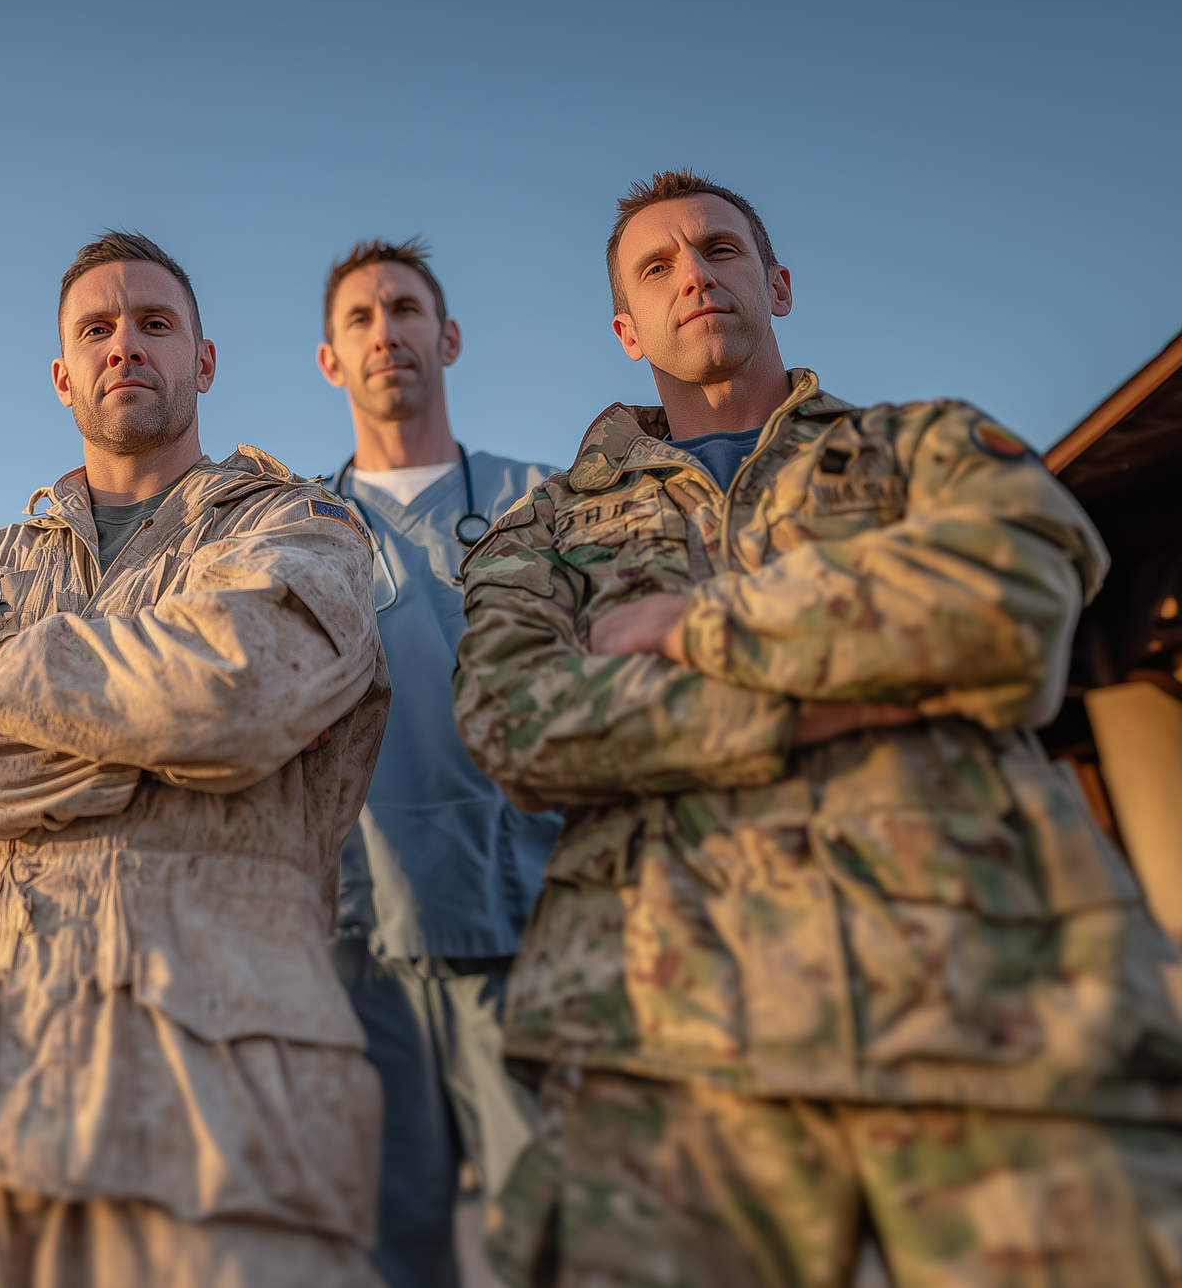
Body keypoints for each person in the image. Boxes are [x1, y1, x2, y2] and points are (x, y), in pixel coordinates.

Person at [453, 171, 1182, 1286]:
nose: (694, 273)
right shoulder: (544, 525)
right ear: (623, 325)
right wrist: (882, 684)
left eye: (720, 249)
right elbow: (515, 726)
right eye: (658, 267)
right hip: (667, 1037)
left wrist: (697, 627)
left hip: (987, 997)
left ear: (778, 283)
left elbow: (1014, 606)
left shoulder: (921, 447)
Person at [0, 232, 391, 1288]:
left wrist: (19, 679)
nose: (128, 346)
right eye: (99, 329)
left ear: (203, 361)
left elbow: (240, 691)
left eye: (156, 324)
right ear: (63, 374)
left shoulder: (304, 525)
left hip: (222, 1086)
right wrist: (141, 764)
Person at [315, 238, 561, 1288]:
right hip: (360, 953)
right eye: (360, 320)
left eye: (406, 310)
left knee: (552, 1244)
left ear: (447, 335)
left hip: (530, 940)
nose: (387, 334)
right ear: (329, 360)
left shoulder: (544, 502)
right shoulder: (296, 529)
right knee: (388, 1254)